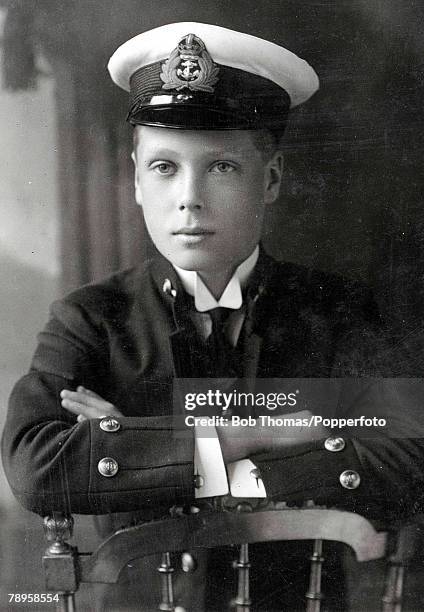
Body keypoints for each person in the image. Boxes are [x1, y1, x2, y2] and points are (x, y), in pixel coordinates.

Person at [2, 21, 424, 611]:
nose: (189, 198)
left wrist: (139, 445)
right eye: (165, 167)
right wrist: (257, 432)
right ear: (136, 181)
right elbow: (35, 466)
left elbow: (409, 452)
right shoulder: (90, 319)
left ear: (270, 178)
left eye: (221, 166)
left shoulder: (341, 313)